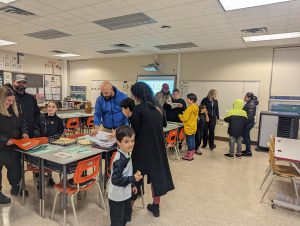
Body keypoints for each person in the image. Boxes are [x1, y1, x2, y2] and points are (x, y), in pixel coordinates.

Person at [130, 82, 174, 218]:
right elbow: (164, 124)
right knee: (157, 177)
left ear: (137, 95)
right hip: (158, 148)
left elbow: (134, 132)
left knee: (136, 177)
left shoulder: (138, 109)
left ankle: (128, 210)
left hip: (142, 149)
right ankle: (156, 207)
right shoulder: (159, 107)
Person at [108, 125, 143, 226]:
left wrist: (132, 184)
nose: (131, 144)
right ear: (118, 143)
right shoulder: (119, 160)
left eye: (132, 140)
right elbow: (115, 180)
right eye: (126, 141)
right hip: (117, 197)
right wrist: (133, 178)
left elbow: (126, 173)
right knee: (117, 222)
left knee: (125, 218)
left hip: (125, 193)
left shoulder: (126, 153)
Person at [0, 86, 29, 204]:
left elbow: (22, 123)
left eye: (12, 101)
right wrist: (4, 141)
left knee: (15, 170)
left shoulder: (14, 108)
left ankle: (15, 187)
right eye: (8, 101)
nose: (11, 103)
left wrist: (25, 133)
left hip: (14, 146)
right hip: (1, 147)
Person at [179, 93, 199, 161]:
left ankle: (189, 156)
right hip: (193, 126)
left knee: (189, 141)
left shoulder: (189, 108)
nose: (186, 100)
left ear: (191, 100)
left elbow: (184, 118)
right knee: (192, 140)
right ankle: (192, 153)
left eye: (187, 98)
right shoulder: (196, 107)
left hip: (188, 127)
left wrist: (180, 115)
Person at [242, 92, 259, 157]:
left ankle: (248, 152)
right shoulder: (250, 102)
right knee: (246, 136)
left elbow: (249, 117)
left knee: (245, 136)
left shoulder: (251, 104)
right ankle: (247, 150)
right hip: (248, 123)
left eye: (245, 97)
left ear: (249, 98)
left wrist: (243, 123)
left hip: (248, 123)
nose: (244, 98)